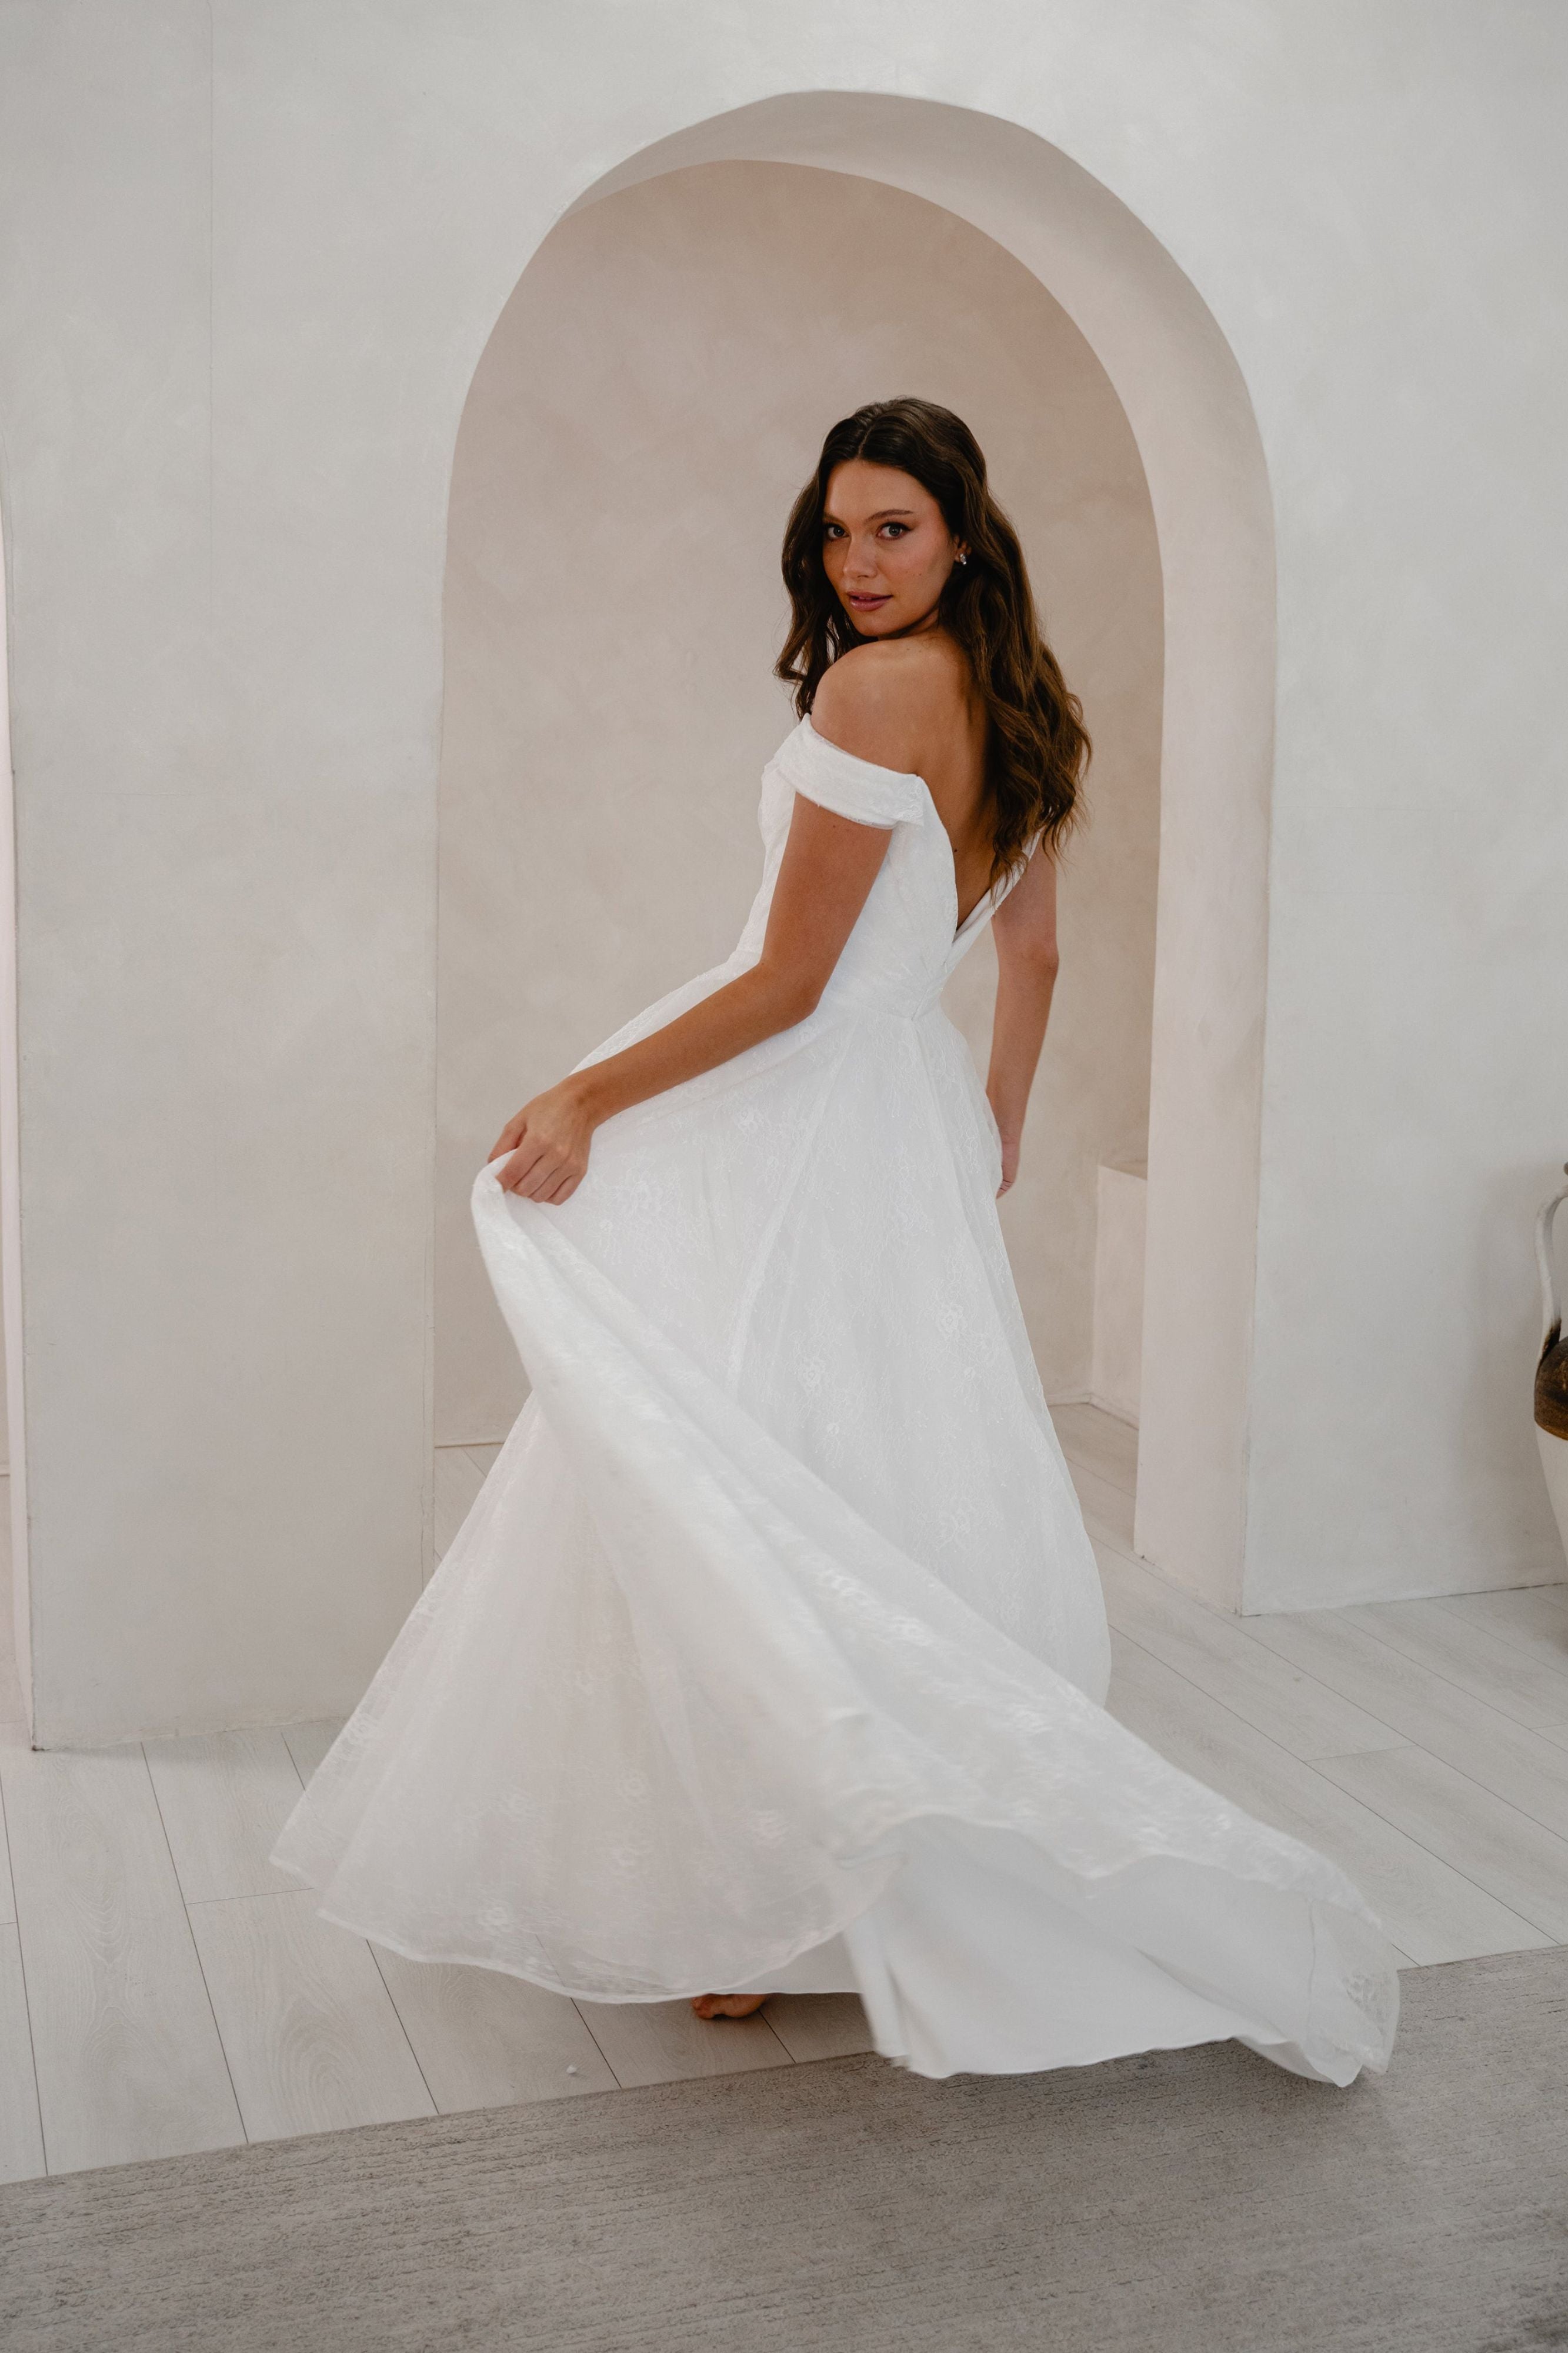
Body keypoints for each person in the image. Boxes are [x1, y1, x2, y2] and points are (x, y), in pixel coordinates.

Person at [272, 399, 1398, 2086]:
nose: (857, 563)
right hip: (902, 1114)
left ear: (959, 530)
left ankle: (754, 1900)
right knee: (862, 1463)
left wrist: (584, 1086)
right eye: (835, 531)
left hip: (799, 1112)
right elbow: (1028, 957)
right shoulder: (1029, 706)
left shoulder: (876, 691)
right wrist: (995, 1116)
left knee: (721, 1463)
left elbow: (788, 982)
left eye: (892, 528)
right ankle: (822, 1873)